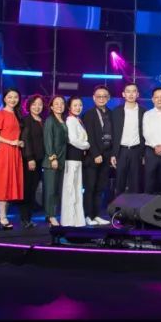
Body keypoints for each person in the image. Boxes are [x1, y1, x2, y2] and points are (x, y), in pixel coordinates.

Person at [0, 88, 24, 230]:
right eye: (10, 97)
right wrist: (10, 142)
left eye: (15, 97)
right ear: (4, 98)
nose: (13, 99)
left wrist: (19, 142)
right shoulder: (0, 113)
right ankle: (3, 216)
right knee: (3, 183)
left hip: (15, 151)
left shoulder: (17, 114)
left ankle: (2, 215)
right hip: (4, 151)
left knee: (10, 184)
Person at [83, 85, 114, 226]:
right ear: (94, 98)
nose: (101, 98)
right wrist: (95, 153)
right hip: (93, 156)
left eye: (104, 96)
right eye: (99, 96)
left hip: (107, 155)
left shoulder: (111, 114)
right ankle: (88, 215)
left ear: (108, 98)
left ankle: (96, 215)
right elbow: (89, 136)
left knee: (100, 187)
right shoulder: (89, 114)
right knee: (90, 187)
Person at [110, 83, 145, 196]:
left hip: (136, 151)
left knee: (136, 183)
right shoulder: (116, 112)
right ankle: (118, 207)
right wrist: (113, 154)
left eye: (134, 91)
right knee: (119, 183)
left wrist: (144, 154)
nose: (131, 94)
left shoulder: (144, 112)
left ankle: (134, 207)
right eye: (128, 91)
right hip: (121, 151)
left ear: (137, 94)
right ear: (123, 94)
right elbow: (113, 133)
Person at [62, 96, 90, 227]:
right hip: (71, 159)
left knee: (77, 190)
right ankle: (69, 220)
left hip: (77, 159)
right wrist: (87, 145)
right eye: (75, 105)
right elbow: (72, 140)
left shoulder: (77, 120)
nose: (78, 108)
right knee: (70, 190)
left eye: (80, 105)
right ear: (69, 107)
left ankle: (77, 220)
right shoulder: (70, 120)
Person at [19, 94, 47, 228]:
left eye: (40, 104)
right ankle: (25, 219)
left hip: (40, 159)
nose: (37, 107)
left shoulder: (42, 120)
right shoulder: (26, 120)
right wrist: (30, 158)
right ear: (29, 106)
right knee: (27, 190)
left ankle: (29, 218)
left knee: (34, 189)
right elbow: (26, 140)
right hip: (29, 160)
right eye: (34, 104)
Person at [42, 95, 68, 227]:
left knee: (57, 190)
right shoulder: (50, 120)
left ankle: (53, 214)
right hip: (52, 161)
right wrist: (52, 157)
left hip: (62, 160)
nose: (59, 106)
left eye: (62, 103)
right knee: (51, 190)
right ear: (51, 107)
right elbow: (48, 140)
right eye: (56, 103)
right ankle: (50, 216)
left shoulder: (64, 120)